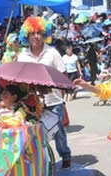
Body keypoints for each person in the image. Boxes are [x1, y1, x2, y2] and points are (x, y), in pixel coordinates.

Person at [18, 17, 72, 168]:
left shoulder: (53, 53)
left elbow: (63, 76)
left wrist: (50, 87)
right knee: (37, 132)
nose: (36, 36)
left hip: (54, 101)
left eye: (39, 33)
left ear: (44, 34)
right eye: (32, 33)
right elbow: (20, 80)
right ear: (27, 36)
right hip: (33, 102)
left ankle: (65, 154)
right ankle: (43, 159)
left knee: (58, 130)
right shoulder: (23, 56)